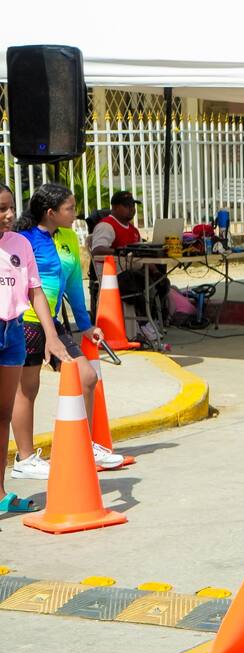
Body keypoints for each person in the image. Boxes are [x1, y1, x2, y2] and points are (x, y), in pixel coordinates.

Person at [10, 184, 122, 481]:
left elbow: (73, 285)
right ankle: (24, 458)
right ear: (50, 213)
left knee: (87, 377)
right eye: (69, 209)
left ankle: (82, 447)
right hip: (26, 322)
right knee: (27, 389)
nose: (74, 214)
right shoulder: (24, 240)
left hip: (53, 323)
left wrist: (85, 326)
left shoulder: (70, 238)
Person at [0, 184, 71, 513]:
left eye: (11, 207)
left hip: (13, 332)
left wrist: (51, 335)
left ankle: (1, 494)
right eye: (2, 208)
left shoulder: (20, 244)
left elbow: (35, 291)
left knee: (3, 415)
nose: (9, 214)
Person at [87, 190, 169, 335]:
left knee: (161, 279)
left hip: (132, 270)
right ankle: (143, 324)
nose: (132, 208)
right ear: (115, 207)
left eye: (133, 205)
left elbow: (141, 254)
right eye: (127, 205)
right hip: (113, 275)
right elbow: (97, 250)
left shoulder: (133, 230)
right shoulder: (106, 226)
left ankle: (154, 319)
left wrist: (156, 271)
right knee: (135, 280)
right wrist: (119, 252)